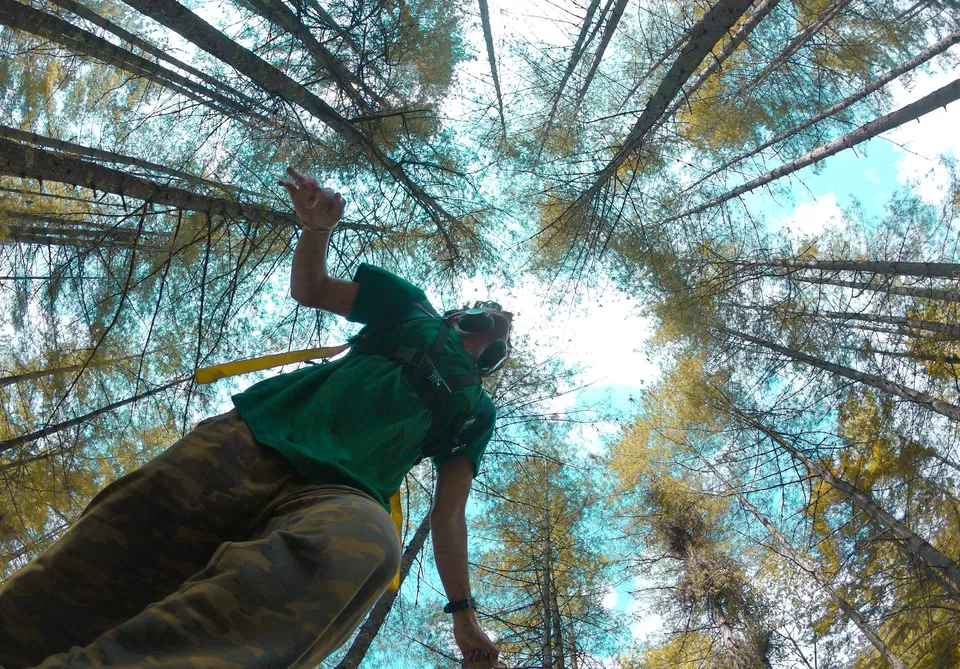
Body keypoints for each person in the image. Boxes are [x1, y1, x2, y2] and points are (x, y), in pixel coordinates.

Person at [0, 167, 508, 669]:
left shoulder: (477, 410)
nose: (495, 331)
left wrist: (463, 614)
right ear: (461, 314)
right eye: (488, 317)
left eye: (499, 345)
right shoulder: (411, 308)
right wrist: (317, 231)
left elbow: (449, 514)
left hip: (344, 496)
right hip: (255, 437)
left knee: (368, 544)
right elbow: (311, 288)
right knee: (94, 565)